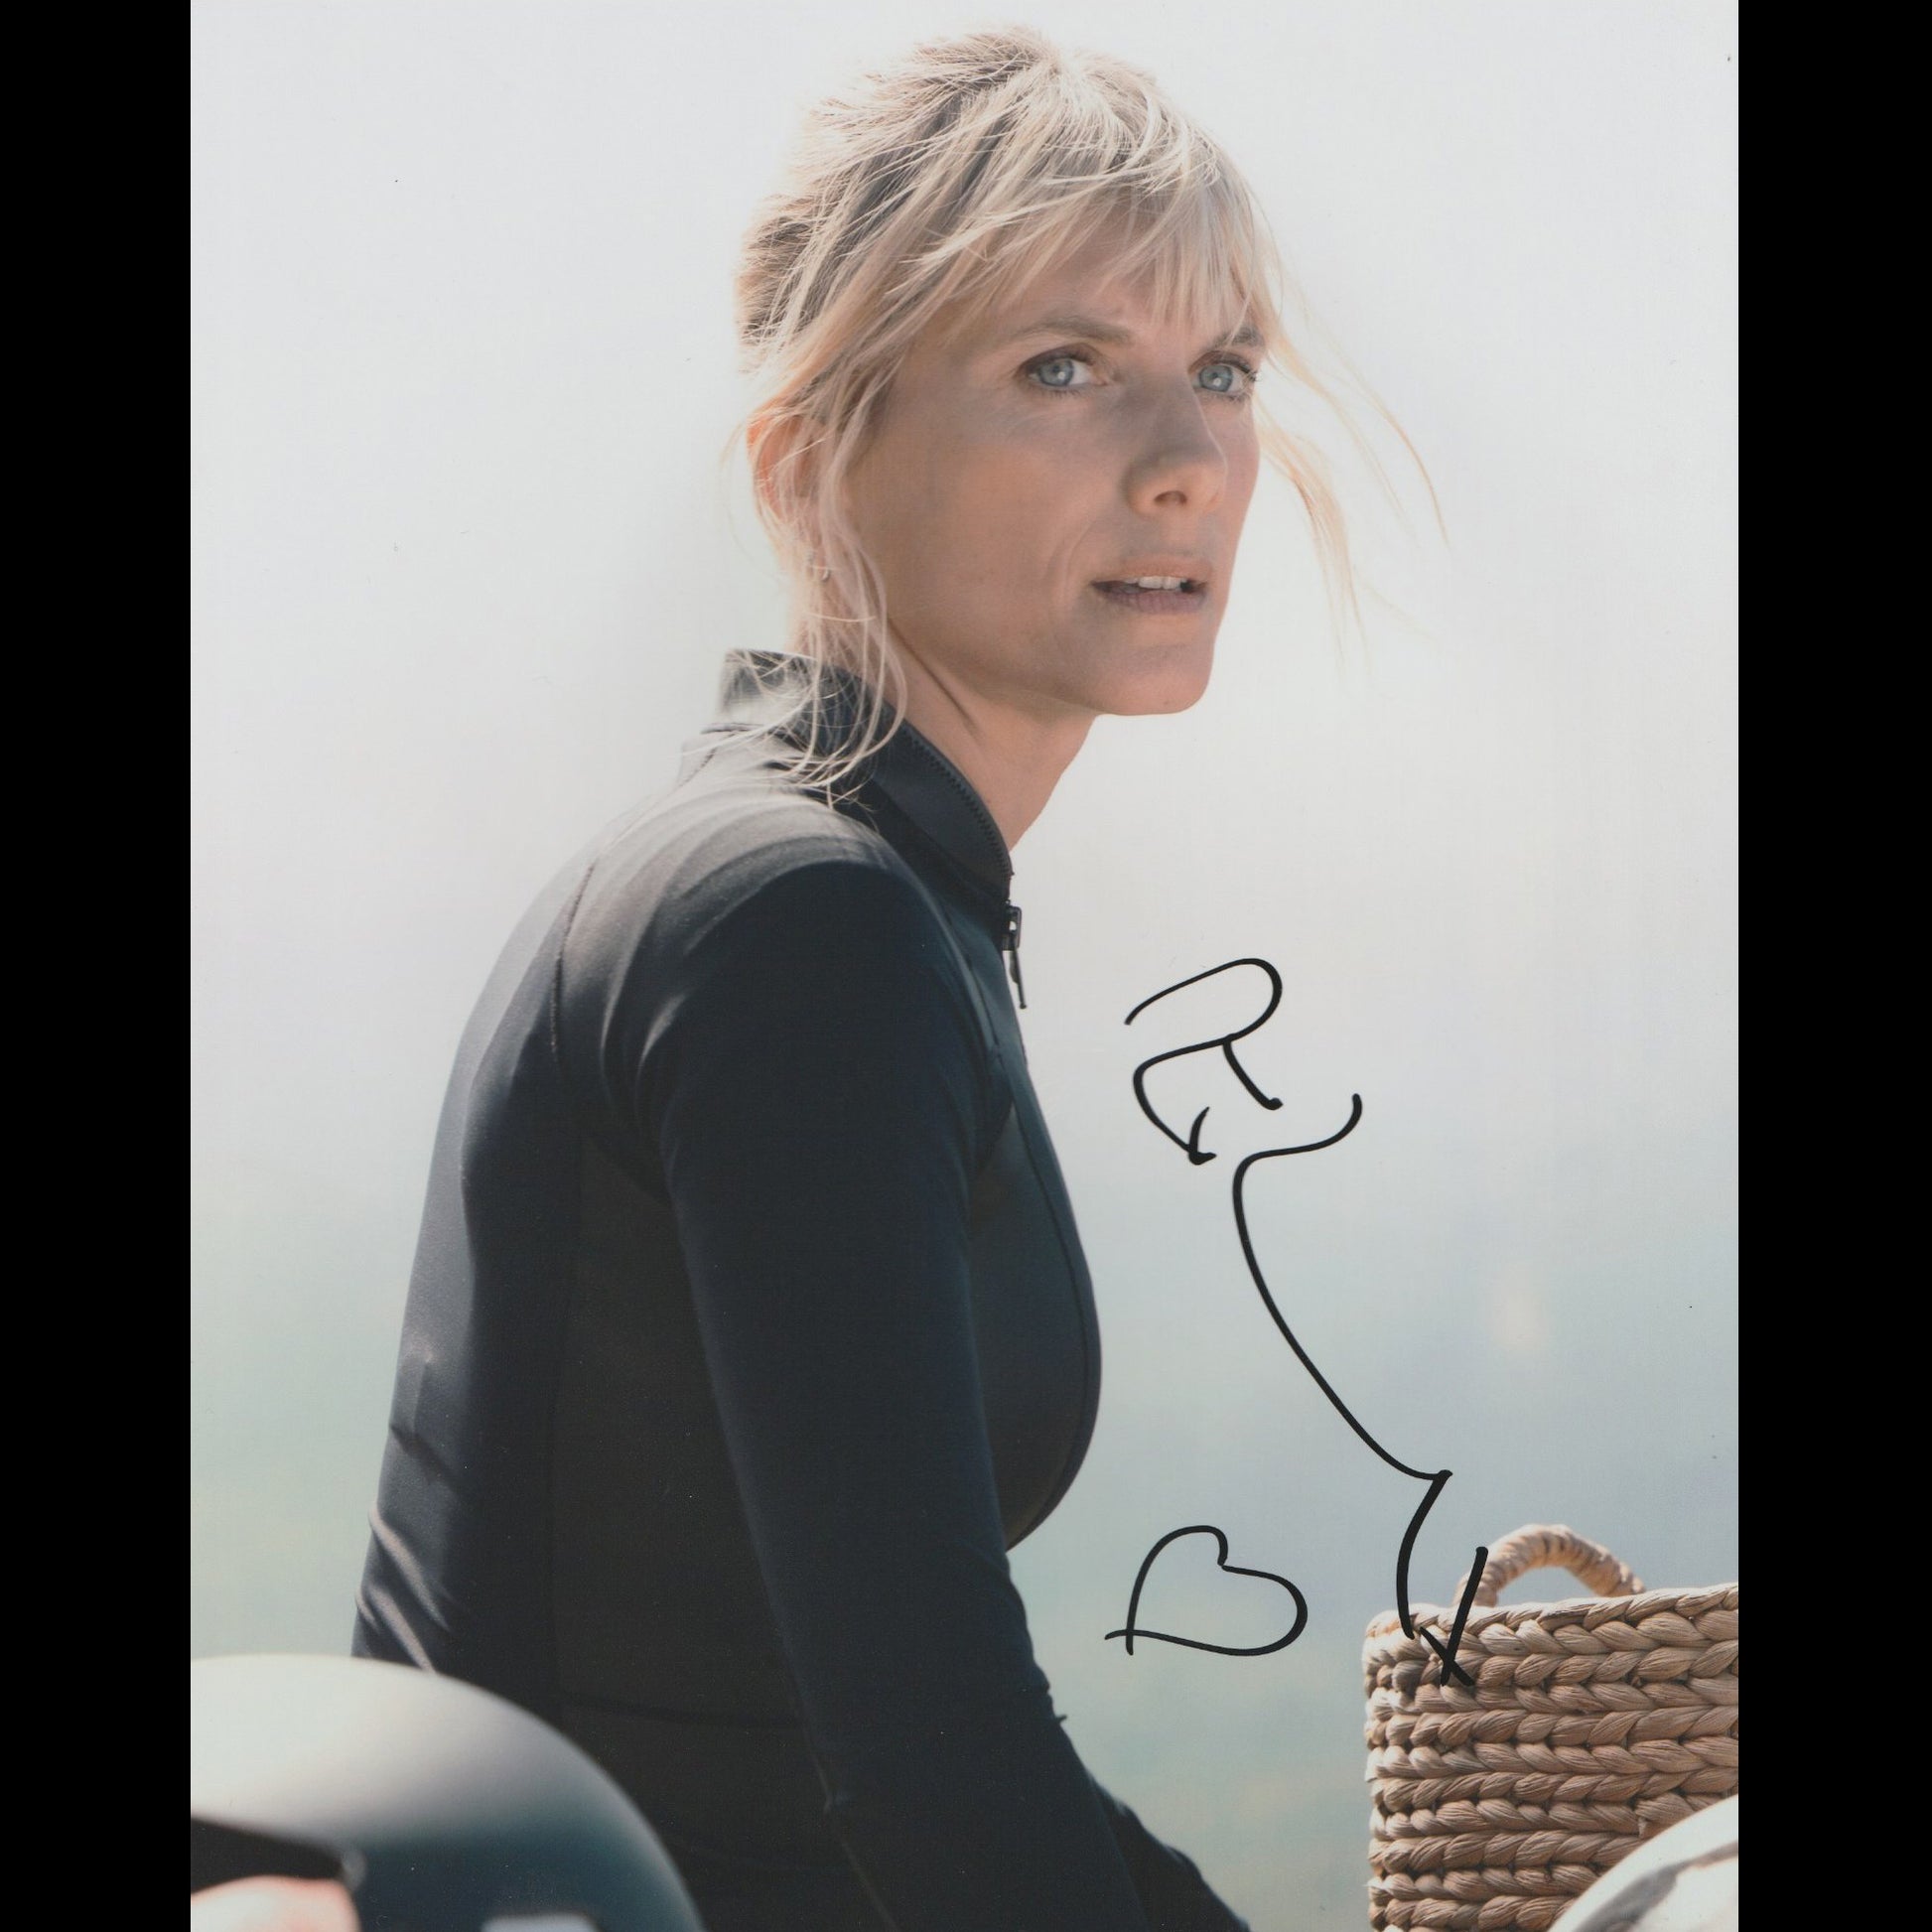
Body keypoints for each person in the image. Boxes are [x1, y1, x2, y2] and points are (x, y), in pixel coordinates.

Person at [352, 27, 1376, 1930]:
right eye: (1062, 366)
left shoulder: (852, 896)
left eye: (1223, 371)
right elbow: (935, 1770)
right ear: (809, 458)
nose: (1185, 464)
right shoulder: (797, 925)